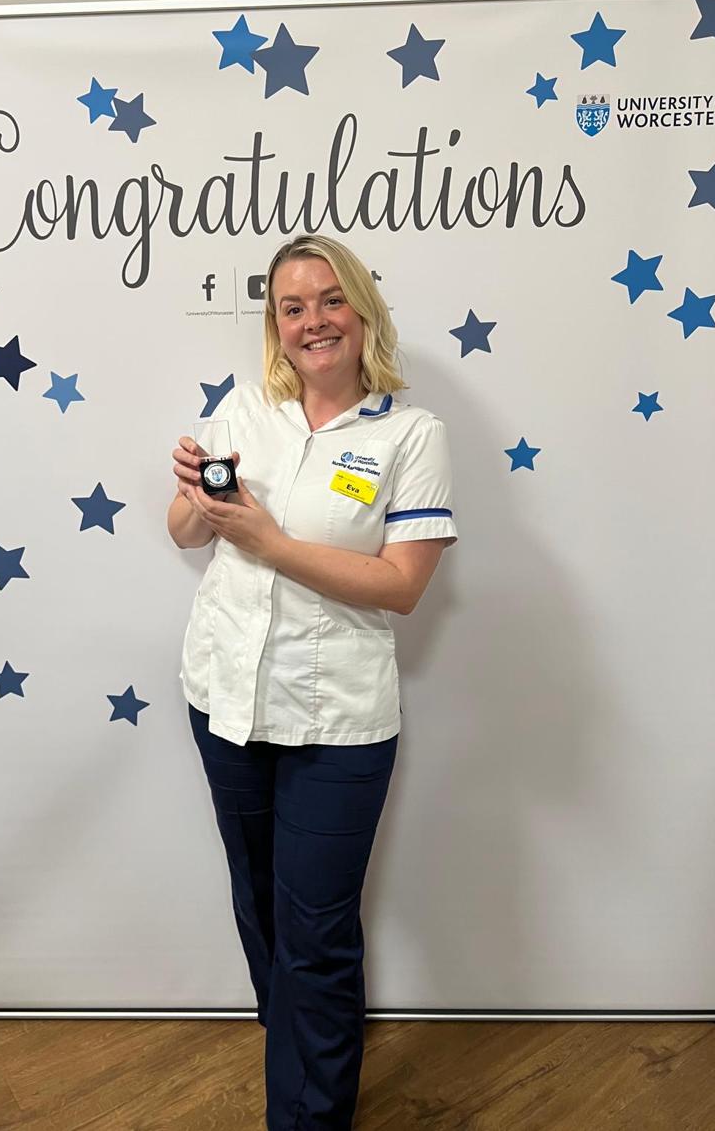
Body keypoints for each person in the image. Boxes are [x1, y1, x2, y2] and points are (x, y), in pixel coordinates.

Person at [167, 234, 458, 1130]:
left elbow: (403, 586)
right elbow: (184, 533)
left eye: (329, 300)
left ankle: (309, 1113)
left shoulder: (410, 433)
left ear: (361, 309)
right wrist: (192, 496)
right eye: (291, 308)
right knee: (259, 907)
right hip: (225, 697)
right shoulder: (244, 409)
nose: (312, 321)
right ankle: (296, 1048)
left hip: (338, 723)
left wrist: (268, 540)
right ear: (275, 325)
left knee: (317, 932)